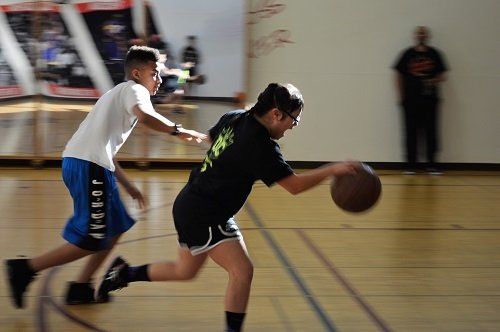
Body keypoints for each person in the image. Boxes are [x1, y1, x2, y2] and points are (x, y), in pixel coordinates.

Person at [95, 83, 361, 331]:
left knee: (184, 271)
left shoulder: (235, 117)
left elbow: (210, 140)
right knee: (242, 270)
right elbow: (295, 186)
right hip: (205, 210)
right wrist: (333, 170)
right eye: (294, 120)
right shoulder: (261, 146)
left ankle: (123, 273)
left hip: (193, 201)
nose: (293, 126)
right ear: (277, 114)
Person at [4, 45, 206, 309]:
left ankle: (81, 286)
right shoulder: (135, 90)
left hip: (91, 165)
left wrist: (129, 185)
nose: (159, 79)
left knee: (115, 228)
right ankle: (25, 269)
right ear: (137, 73)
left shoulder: (117, 93)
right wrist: (178, 130)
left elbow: (104, 149)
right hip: (88, 167)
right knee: (91, 239)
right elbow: (145, 116)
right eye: (154, 73)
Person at [393, 26, 448, 174]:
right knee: (410, 132)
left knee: (431, 132)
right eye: (419, 32)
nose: (421, 35)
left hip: (430, 101)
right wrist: (400, 96)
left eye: (423, 33)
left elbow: (443, 75)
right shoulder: (407, 54)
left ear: (428, 36)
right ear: (415, 36)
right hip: (410, 101)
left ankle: (432, 165)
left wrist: (432, 81)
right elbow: (398, 75)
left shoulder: (435, 54)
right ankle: (410, 166)